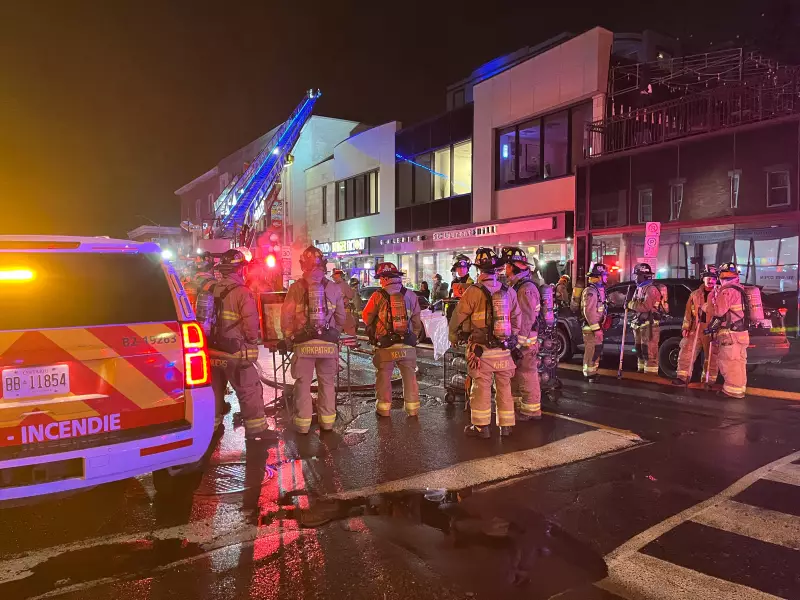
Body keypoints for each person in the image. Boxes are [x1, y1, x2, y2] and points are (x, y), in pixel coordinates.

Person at [449, 248, 521, 438]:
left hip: (482, 351)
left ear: (479, 269)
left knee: (481, 388)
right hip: (504, 350)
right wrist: (511, 338)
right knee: (504, 388)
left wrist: (453, 335)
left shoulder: (473, 292)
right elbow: (517, 319)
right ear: (497, 269)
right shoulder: (508, 291)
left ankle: (482, 427)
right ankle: (506, 426)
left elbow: (458, 316)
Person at [205, 249, 270, 440]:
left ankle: (212, 428)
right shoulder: (242, 292)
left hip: (212, 350)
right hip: (234, 351)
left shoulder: (211, 289)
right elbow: (251, 325)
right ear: (239, 269)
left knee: (215, 391)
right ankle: (256, 430)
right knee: (249, 389)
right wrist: (252, 343)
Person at [281, 246, 346, 434]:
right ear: (323, 265)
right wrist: (333, 334)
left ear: (303, 265)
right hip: (328, 344)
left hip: (303, 345)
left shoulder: (295, 287)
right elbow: (341, 317)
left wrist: (288, 337)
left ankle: (303, 424)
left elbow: (286, 317)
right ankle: (327, 422)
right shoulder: (333, 287)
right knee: (327, 383)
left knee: (303, 384)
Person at [362, 262, 423, 418]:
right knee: (410, 377)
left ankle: (383, 409)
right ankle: (412, 409)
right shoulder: (411, 295)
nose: (380, 282)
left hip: (386, 344)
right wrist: (413, 336)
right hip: (407, 343)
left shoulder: (378, 296)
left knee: (384, 377)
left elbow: (366, 317)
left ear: (384, 278)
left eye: (380, 279)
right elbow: (417, 321)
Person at [501, 246, 541, 420]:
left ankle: (531, 411)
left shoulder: (525, 288)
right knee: (518, 375)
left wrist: (517, 344)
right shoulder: (518, 285)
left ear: (513, 266)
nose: (505, 269)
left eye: (506, 265)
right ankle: (520, 407)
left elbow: (526, 319)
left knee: (527, 374)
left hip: (526, 342)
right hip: (521, 340)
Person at [672, 266, 720, 388]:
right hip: (696, 328)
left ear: (717, 279)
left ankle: (708, 381)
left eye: (713, 278)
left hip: (712, 329)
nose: (710, 280)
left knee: (712, 356)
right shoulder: (695, 294)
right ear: (703, 278)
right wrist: (686, 327)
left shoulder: (720, 294)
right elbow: (688, 313)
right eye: (708, 277)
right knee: (686, 352)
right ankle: (682, 377)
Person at [707, 263, 749, 398]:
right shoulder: (740, 288)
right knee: (739, 362)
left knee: (729, 361)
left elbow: (719, 311)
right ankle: (739, 388)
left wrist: (709, 304)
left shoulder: (727, 291)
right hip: (741, 333)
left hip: (731, 333)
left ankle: (732, 390)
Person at [628, 263, 662, 375]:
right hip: (640, 324)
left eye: (637, 275)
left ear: (644, 276)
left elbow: (645, 307)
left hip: (649, 326)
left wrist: (630, 304)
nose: (635, 278)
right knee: (640, 349)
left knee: (649, 352)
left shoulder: (651, 289)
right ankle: (641, 372)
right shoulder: (640, 288)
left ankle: (650, 375)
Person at [581, 264, 608, 382]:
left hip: (597, 327)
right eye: (605, 275)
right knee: (591, 351)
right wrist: (596, 329)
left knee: (596, 350)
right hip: (591, 328)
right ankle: (589, 374)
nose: (606, 277)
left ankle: (593, 372)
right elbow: (589, 312)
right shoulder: (590, 291)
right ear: (599, 277)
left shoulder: (599, 290)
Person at [332, 268, 357, 335]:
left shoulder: (332, 286)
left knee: (336, 331)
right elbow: (351, 295)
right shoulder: (344, 285)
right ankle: (352, 340)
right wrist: (353, 290)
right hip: (344, 311)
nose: (333, 278)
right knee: (350, 328)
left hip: (335, 313)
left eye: (334, 277)